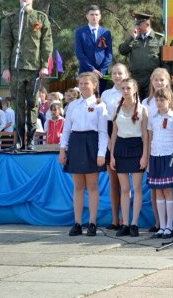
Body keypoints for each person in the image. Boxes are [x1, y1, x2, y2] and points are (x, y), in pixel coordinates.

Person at [0, 0, 53, 151]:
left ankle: (30, 140)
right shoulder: (12, 19)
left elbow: (47, 43)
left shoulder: (41, 18)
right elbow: (5, 44)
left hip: (34, 69)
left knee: (32, 105)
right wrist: (6, 68)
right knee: (18, 105)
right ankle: (18, 141)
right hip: (15, 68)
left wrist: (45, 65)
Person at [58, 72, 108, 237]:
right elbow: (66, 130)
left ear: (94, 85)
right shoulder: (73, 105)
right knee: (78, 186)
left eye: (86, 83)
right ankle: (77, 223)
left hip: (92, 143)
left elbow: (103, 132)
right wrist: (62, 150)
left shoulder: (100, 105)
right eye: (81, 83)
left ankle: (92, 223)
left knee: (92, 185)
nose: (83, 86)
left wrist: (101, 153)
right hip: (76, 143)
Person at [108, 78, 149, 238]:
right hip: (121, 149)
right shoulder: (116, 108)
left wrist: (144, 155)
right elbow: (114, 133)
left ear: (135, 90)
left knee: (137, 188)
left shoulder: (142, 109)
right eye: (123, 88)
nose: (125, 91)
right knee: (124, 189)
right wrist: (112, 155)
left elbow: (145, 134)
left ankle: (134, 224)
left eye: (128, 88)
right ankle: (124, 224)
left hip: (136, 147)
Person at [147, 87, 173, 239]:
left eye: (162, 100)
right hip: (155, 156)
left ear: (169, 101)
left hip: (169, 156)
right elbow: (150, 138)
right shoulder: (152, 117)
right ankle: (161, 226)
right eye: (157, 100)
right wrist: (148, 160)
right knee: (158, 191)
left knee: (168, 190)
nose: (159, 103)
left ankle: (169, 226)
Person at [100, 63, 130, 231]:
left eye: (120, 73)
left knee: (125, 183)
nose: (117, 76)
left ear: (126, 75)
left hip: (126, 133)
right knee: (113, 182)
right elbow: (103, 118)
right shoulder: (106, 94)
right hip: (109, 131)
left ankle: (125, 220)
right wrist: (107, 140)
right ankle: (115, 220)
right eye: (114, 73)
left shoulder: (131, 92)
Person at [118, 13, 165, 99]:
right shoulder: (134, 37)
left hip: (151, 78)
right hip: (136, 77)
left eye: (139, 24)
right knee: (135, 102)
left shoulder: (159, 38)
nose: (137, 27)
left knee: (151, 102)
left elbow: (164, 60)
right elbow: (122, 51)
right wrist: (132, 38)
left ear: (147, 24)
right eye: (136, 24)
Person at [75, 5, 113, 93]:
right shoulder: (80, 32)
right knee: (86, 95)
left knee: (100, 95)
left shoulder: (106, 33)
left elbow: (109, 54)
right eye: (92, 14)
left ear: (100, 16)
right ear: (87, 16)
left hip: (101, 74)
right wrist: (92, 69)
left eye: (96, 14)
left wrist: (101, 71)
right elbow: (79, 53)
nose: (94, 17)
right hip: (86, 71)